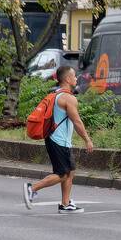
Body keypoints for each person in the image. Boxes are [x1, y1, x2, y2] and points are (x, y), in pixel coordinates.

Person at [25, 66, 94, 213]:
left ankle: (65, 203)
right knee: (62, 174)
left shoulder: (56, 94)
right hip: (59, 141)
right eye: (74, 76)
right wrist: (87, 139)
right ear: (68, 79)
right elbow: (77, 122)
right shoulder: (68, 98)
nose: (76, 79)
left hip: (57, 140)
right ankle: (32, 188)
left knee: (70, 171)